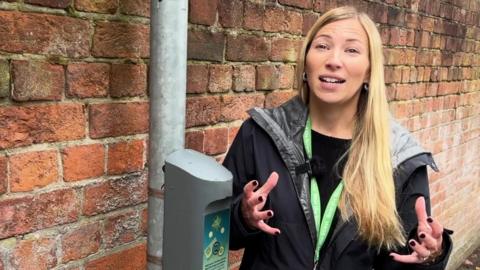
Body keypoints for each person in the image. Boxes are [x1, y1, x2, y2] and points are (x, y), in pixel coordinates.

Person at [222, 6, 453, 270]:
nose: (333, 60)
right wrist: (243, 216)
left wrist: (431, 256)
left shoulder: (399, 159)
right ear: (306, 61)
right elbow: (217, 232)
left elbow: (402, 261)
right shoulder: (259, 135)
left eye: (351, 50)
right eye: (322, 46)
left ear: (369, 71)